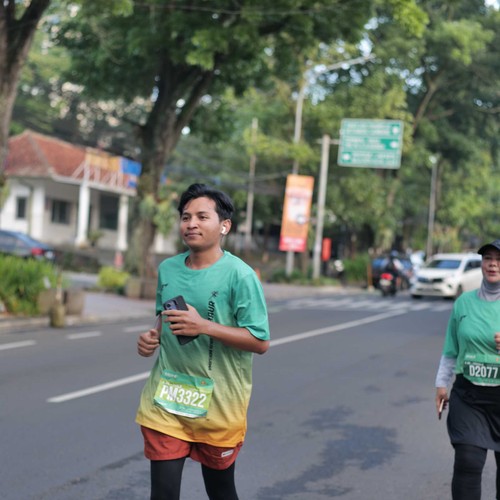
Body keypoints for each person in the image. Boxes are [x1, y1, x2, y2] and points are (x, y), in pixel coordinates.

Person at [135, 183, 270, 500]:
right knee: (163, 494)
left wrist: (205, 326)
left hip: (220, 405)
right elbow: (164, 316)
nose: (191, 223)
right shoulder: (168, 269)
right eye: (186, 217)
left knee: (220, 492)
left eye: (201, 216)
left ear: (224, 226)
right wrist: (152, 337)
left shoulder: (240, 275)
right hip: (166, 399)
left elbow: (259, 341)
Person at [435, 239, 500, 499]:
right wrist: (441, 384)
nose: (493, 264)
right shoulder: (463, 303)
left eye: (499, 259)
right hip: (469, 397)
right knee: (468, 461)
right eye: (488, 258)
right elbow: (451, 348)